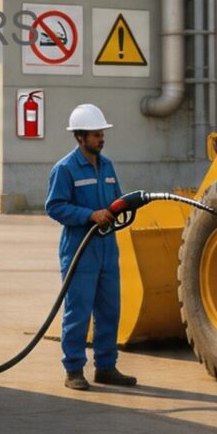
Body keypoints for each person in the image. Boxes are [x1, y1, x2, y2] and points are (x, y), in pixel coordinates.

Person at [44, 104, 138, 391]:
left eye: (101, 134)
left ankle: (106, 367)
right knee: (79, 311)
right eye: (96, 135)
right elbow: (55, 206)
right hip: (80, 251)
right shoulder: (65, 169)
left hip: (107, 248)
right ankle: (73, 370)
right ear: (80, 137)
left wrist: (123, 206)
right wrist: (89, 215)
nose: (101, 139)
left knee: (110, 310)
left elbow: (116, 198)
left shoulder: (108, 166)